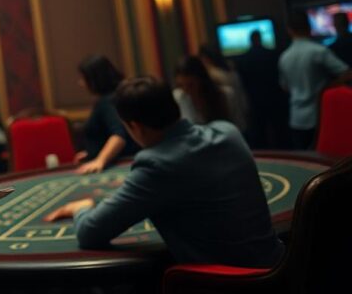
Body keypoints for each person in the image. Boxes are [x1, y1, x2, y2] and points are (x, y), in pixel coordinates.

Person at [44, 77, 284, 268]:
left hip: (229, 284)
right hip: (280, 268)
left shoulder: (156, 165)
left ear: (135, 126)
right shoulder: (227, 131)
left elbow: (89, 233)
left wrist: (81, 208)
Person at [279, 10, 352, 149]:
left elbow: (285, 87)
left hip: (296, 118)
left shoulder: (284, 57)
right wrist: (329, 86)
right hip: (319, 117)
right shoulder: (319, 51)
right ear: (308, 27)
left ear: (289, 30)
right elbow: (348, 73)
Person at [73, 56, 139, 174]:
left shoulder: (107, 102)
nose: (81, 83)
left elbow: (119, 136)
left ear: (94, 79)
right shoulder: (116, 96)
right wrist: (92, 152)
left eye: (83, 78)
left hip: (119, 166)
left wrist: (100, 160)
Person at [234, 31, 289, 148]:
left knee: (259, 133)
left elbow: (242, 84)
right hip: (275, 98)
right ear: (260, 39)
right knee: (280, 131)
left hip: (254, 100)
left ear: (250, 40)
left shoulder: (242, 59)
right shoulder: (274, 54)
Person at [199, 44, 249, 132]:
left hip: (226, 120)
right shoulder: (230, 69)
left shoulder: (212, 75)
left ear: (205, 58)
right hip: (240, 112)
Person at [173, 56, 233, 125]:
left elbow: (239, 126)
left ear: (201, 79)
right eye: (181, 85)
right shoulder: (178, 98)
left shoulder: (225, 95)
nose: (186, 89)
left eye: (191, 85)